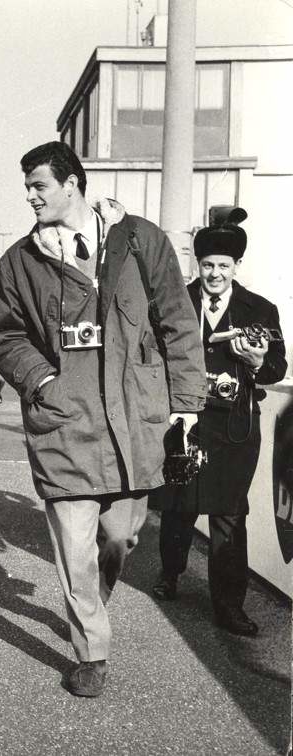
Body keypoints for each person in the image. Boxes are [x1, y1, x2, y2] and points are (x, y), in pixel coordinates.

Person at [0, 141, 206, 698]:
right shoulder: (19, 261)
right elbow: (4, 336)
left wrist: (185, 405)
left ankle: (90, 608)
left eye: (39, 186)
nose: (30, 197)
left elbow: (178, 321)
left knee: (121, 538)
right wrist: (42, 381)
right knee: (75, 546)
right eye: (27, 188)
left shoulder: (140, 240)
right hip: (64, 423)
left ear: (72, 184)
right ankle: (91, 651)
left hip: (135, 423)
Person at [152, 207, 286, 637]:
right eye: (208, 265)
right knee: (179, 505)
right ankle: (170, 574)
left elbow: (277, 368)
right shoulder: (177, 304)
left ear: (236, 267)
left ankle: (229, 606)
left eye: (223, 267)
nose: (214, 274)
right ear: (198, 264)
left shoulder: (259, 309)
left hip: (234, 430)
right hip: (185, 425)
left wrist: (259, 361)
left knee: (229, 514)